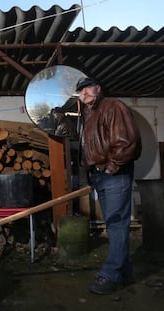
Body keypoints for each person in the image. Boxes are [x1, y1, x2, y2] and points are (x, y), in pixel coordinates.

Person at [76, 77, 142, 295]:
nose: (83, 92)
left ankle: (111, 274)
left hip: (113, 174)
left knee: (115, 224)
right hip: (101, 175)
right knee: (114, 225)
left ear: (98, 88)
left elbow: (126, 142)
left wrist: (111, 168)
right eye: (80, 90)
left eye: (87, 88)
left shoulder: (112, 106)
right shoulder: (89, 115)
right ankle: (125, 273)